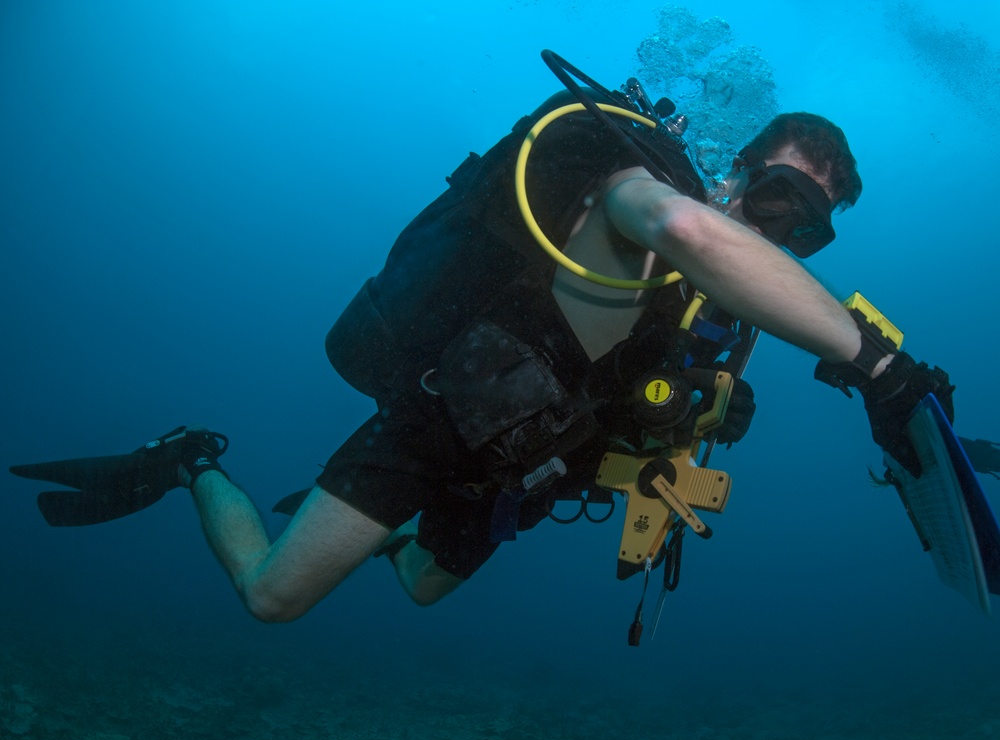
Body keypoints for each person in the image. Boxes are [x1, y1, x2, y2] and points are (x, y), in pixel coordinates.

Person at [11, 55, 954, 623]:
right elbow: (688, 231)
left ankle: (383, 543)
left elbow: (644, 403)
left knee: (421, 586)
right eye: (779, 197)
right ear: (738, 167)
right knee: (272, 598)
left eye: (809, 230)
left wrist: (702, 406)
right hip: (447, 413)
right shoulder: (638, 177)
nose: (780, 231)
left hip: (529, 465)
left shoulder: (731, 307)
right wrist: (873, 364)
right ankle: (191, 459)